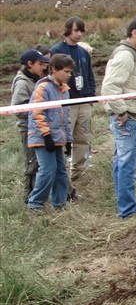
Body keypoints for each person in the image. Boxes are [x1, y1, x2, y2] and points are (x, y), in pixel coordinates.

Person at [101, 16, 136, 219]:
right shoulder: (125, 56)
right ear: (134, 33)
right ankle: (128, 209)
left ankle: (127, 205)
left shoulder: (129, 54)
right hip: (127, 118)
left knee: (123, 162)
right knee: (128, 163)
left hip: (129, 115)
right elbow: (109, 87)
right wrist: (121, 111)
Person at [51, 16, 95, 199]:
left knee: (82, 138)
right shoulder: (57, 51)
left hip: (83, 101)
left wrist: (92, 94)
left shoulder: (83, 52)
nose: (78, 34)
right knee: (64, 138)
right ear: (68, 30)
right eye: (76, 30)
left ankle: (79, 172)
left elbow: (90, 74)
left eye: (81, 31)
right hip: (66, 102)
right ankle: (62, 175)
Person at [26, 53, 74, 214]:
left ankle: (59, 203)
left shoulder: (65, 90)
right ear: (54, 69)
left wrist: (68, 139)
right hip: (42, 138)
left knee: (61, 170)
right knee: (47, 170)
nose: (69, 75)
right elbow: (37, 113)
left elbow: (65, 116)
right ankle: (36, 203)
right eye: (66, 71)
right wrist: (46, 135)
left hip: (58, 137)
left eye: (70, 72)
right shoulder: (43, 88)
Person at [11, 47, 51, 200]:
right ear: (29, 64)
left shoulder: (34, 80)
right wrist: (37, 111)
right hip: (28, 129)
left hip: (37, 127)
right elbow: (18, 109)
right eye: (40, 64)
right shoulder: (22, 83)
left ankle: (39, 195)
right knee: (31, 163)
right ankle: (28, 197)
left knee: (39, 163)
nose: (43, 67)